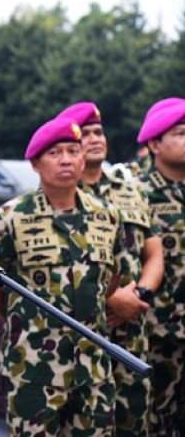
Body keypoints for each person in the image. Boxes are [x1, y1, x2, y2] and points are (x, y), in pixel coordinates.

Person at [0, 117, 130, 436]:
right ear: (35, 163)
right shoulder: (6, 221)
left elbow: (113, 279)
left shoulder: (108, 217)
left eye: (73, 151)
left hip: (94, 372)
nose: (66, 160)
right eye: (55, 152)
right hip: (34, 369)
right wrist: (25, 319)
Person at [57, 101, 163, 436]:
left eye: (98, 132)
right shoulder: (60, 195)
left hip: (132, 328)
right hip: (82, 334)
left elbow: (154, 253)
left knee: (134, 421)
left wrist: (139, 294)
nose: (94, 139)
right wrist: (108, 300)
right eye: (84, 134)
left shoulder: (131, 192)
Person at [136, 98, 185, 435]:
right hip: (160, 332)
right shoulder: (137, 195)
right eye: (180, 134)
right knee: (158, 421)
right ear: (154, 144)